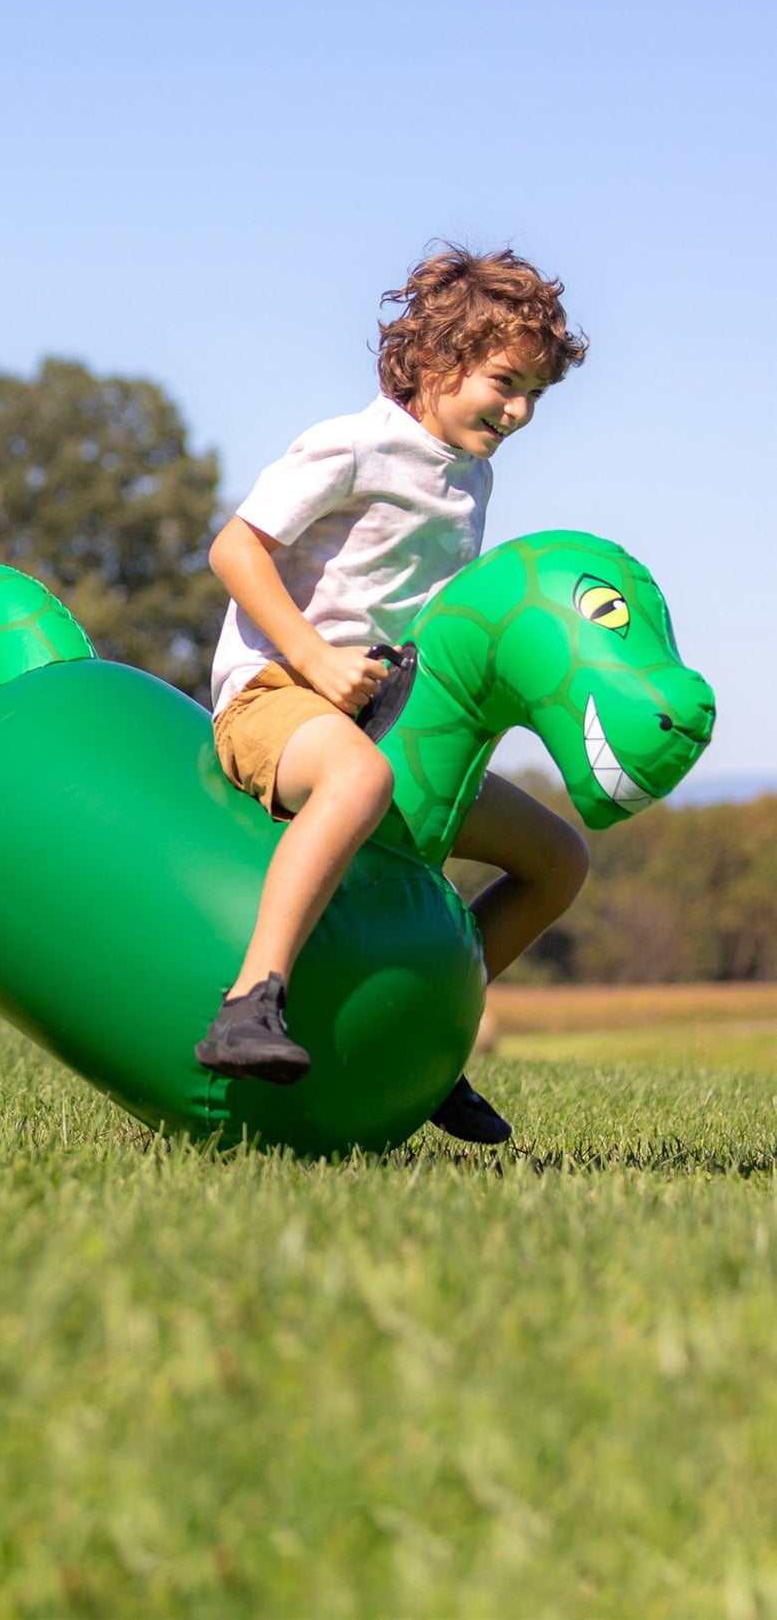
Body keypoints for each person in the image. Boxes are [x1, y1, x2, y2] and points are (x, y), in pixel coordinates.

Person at [194, 245, 591, 1143]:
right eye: (505, 381)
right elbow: (234, 549)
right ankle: (250, 1001)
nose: (520, 410)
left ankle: (428, 1035)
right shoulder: (355, 442)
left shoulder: (472, 474)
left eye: (536, 392)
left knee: (558, 859)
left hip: (385, 719)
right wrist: (312, 660)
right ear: (439, 358)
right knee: (361, 785)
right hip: (277, 697)